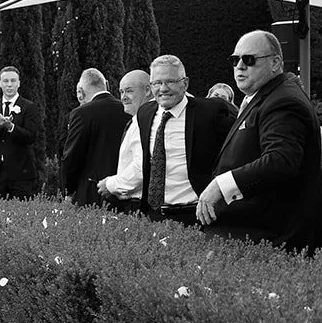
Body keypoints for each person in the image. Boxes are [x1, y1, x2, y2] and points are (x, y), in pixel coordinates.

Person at [195, 30, 322, 253]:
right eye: (235, 59)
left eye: (249, 59)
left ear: (275, 63)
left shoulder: (283, 100)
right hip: (251, 234)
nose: (240, 66)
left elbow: (280, 160)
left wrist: (221, 185)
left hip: (267, 239)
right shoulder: (265, 96)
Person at [109, 54, 233, 224]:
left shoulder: (210, 111)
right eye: (157, 83)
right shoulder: (145, 113)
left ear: (185, 83)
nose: (163, 88)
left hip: (197, 215)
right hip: (153, 215)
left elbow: (234, 152)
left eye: (170, 82)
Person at [60, 68, 129, 206]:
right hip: (124, 188)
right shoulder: (126, 109)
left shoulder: (81, 113)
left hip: (91, 191)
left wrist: (68, 190)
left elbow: (72, 155)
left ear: (81, 89)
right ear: (106, 84)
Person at [0, 65, 42, 198]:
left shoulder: (29, 106)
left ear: (19, 83)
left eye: (13, 81)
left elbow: (31, 136)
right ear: (0, 83)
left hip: (20, 172)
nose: (9, 85)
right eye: (5, 81)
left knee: (21, 209)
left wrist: (11, 126)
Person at [97, 69, 152, 211]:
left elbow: (141, 168)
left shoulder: (145, 122)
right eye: (121, 92)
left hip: (139, 205)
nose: (123, 97)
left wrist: (110, 185)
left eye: (129, 91)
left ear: (147, 90)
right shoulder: (138, 119)